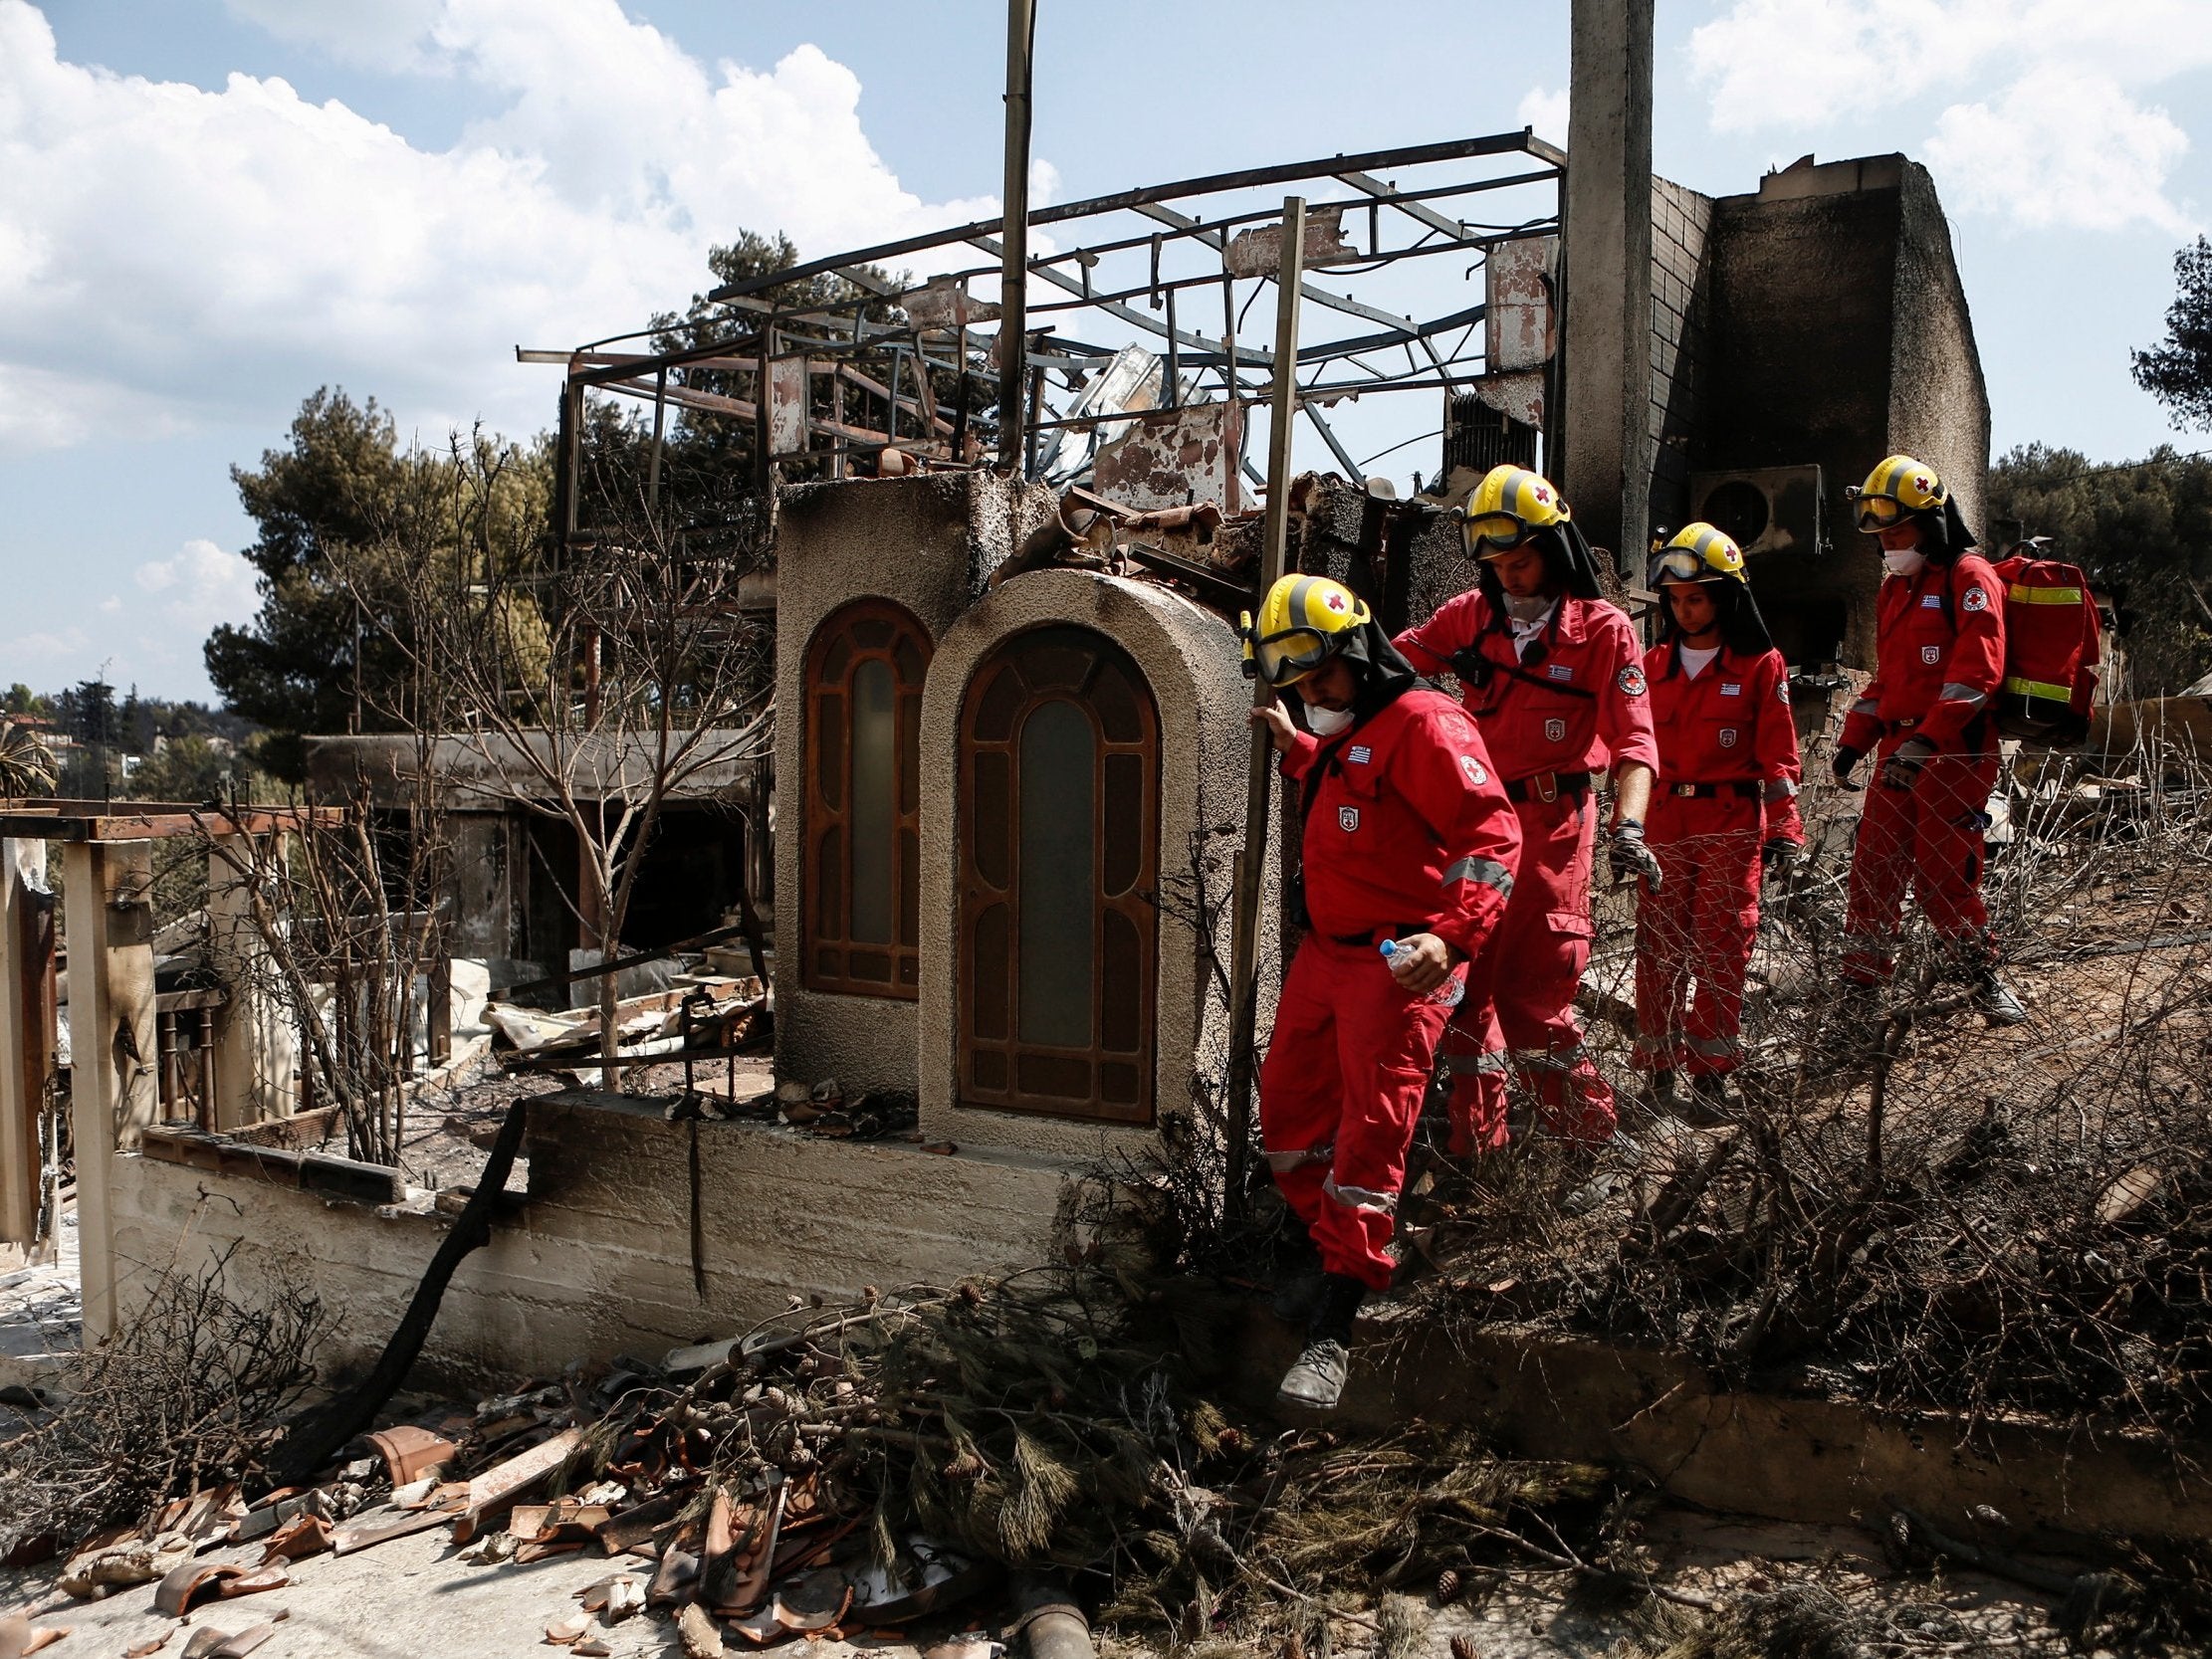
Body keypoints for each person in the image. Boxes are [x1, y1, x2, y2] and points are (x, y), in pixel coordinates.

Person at [1244, 573, 1521, 1410]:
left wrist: (1453, 934)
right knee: (1289, 1114)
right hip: (1326, 958)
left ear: (1360, 650)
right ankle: (1327, 1248)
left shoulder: (1427, 723)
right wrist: (1299, 745)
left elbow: (1492, 831)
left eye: (1322, 672)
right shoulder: (1347, 730)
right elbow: (1354, 797)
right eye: (1297, 679)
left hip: (1398, 963)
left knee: (1371, 1138)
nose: (1312, 689)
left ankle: (1335, 1324)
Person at [1394, 464, 1660, 1157]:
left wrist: (1630, 828)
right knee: (1464, 993)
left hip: (1554, 828)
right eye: (1497, 564)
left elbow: (1635, 740)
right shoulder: (1468, 619)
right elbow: (1389, 667)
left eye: (1521, 560)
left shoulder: (1604, 632)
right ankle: (1477, 1150)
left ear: (1555, 548)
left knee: (1532, 1002)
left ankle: (1592, 1142)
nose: (1510, 576)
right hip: (1475, 829)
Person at [1833, 455, 2028, 1028]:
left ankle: (1983, 978)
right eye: (1882, 534)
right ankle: (1859, 995)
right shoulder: (1895, 592)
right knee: (1873, 872)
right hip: (1898, 750)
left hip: (1953, 751)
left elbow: (1977, 672)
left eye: (1899, 530)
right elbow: (1887, 681)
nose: (1890, 543)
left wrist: (1925, 743)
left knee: (1943, 875)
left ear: (1932, 523)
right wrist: (1855, 740)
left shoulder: (1971, 578)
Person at [1632, 523, 1805, 1119]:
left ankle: (1710, 1071)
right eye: (1676, 600)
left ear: (1726, 597)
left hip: (1731, 821)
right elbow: (1629, 749)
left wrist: (1785, 830)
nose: (1684, 609)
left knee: (1722, 946)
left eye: (1697, 598)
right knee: (1658, 946)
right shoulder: (1649, 665)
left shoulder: (1761, 665)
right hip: (1663, 821)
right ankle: (1656, 1070)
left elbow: (1780, 756)